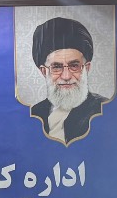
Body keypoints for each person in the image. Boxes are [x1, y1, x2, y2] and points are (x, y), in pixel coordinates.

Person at [28, 16, 108, 146]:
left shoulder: (105, 109)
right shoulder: (34, 114)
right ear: (44, 71)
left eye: (74, 66)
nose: (66, 76)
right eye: (56, 67)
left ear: (86, 68)